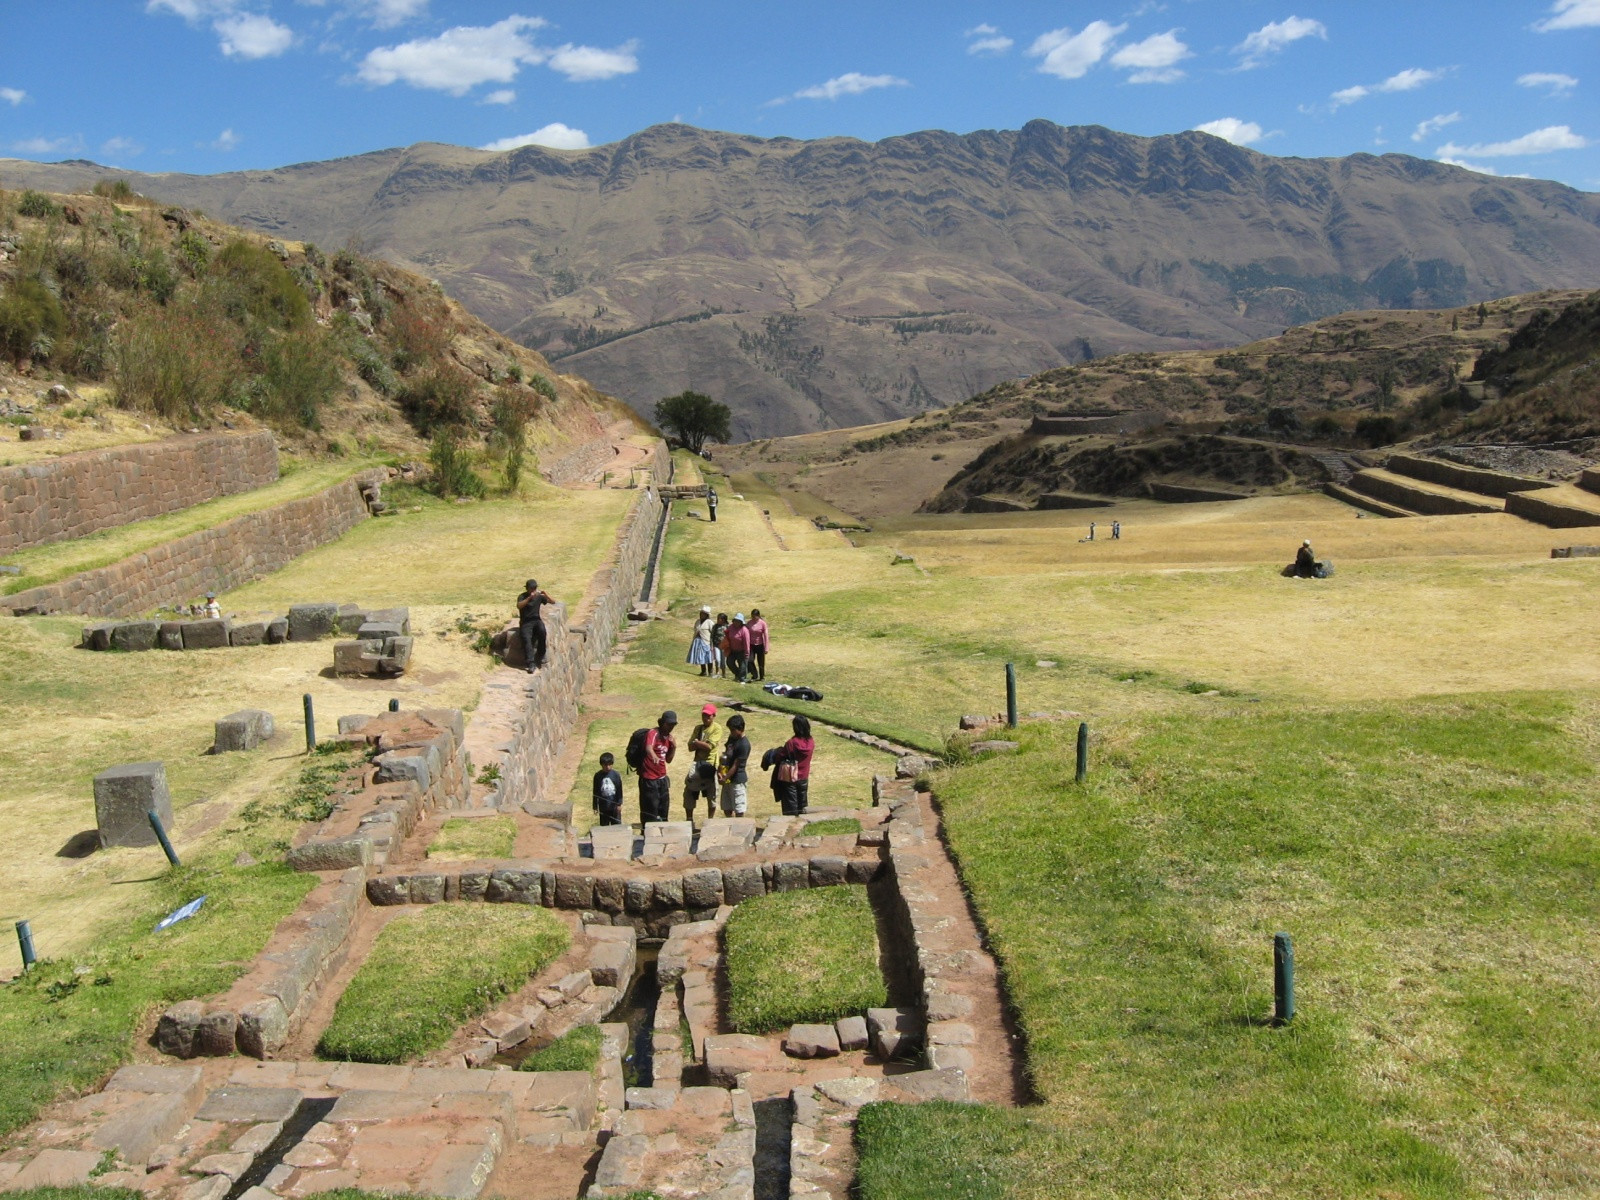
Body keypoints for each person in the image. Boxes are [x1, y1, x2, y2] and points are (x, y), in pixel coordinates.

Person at [683, 703, 725, 822]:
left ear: (714, 716)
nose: (705, 718)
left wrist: (697, 742)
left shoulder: (717, 728)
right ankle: (689, 820)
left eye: (708, 716)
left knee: (712, 795)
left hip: (710, 764)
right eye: (704, 715)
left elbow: (709, 747)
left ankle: (710, 820)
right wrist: (698, 743)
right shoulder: (698, 728)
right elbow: (690, 747)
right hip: (697, 763)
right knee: (689, 791)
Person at [771, 715, 815, 816]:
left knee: (790, 806)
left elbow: (780, 756)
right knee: (803, 805)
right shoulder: (811, 742)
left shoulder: (791, 743)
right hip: (804, 777)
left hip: (790, 777)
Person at [639, 710, 677, 827]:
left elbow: (668, 760)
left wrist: (674, 747)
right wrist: (654, 756)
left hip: (662, 778)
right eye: (668, 724)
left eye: (673, 725)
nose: (671, 727)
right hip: (650, 779)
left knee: (663, 809)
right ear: (663, 723)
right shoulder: (653, 733)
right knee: (651, 811)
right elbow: (648, 747)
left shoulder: (669, 738)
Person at [516, 578, 555, 672]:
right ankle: (530, 663)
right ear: (527, 589)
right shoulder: (522, 596)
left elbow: (553, 602)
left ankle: (541, 654)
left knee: (542, 631)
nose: (533, 590)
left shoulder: (539, 597)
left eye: (535, 588)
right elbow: (519, 606)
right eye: (531, 588)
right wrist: (529, 598)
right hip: (526, 622)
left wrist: (546, 595)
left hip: (536, 620)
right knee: (526, 639)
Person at [719, 714, 751, 816]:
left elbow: (736, 764)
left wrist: (725, 777)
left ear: (740, 729)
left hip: (737, 780)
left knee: (739, 808)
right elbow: (726, 754)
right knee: (726, 807)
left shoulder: (744, 744)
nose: (731, 732)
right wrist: (720, 770)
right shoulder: (732, 738)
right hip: (727, 778)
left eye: (733, 730)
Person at [592, 752, 623, 827]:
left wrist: (619, 803)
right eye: (605, 765)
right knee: (604, 826)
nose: (608, 767)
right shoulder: (598, 776)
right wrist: (595, 806)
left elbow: (619, 790)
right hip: (603, 807)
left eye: (610, 764)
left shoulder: (616, 775)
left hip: (614, 806)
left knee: (616, 826)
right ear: (601, 765)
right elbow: (595, 791)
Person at [687, 605, 715, 676]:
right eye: (701, 613)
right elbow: (695, 630)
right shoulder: (698, 622)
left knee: (708, 657)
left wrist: (712, 643)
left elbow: (713, 632)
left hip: (707, 642)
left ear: (706, 615)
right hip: (698, 641)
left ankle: (710, 672)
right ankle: (703, 671)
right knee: (700, 657)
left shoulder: (709, 622)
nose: (701, 615)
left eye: (703, 614)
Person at [724, 613, 752, 683]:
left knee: (742, 666)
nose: (736, 622)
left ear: (741, 622)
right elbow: (727, 635)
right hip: (732, 650)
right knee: (729, 662)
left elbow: (747, 643)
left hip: (742, 651)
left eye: (738, 621)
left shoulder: (744, 630)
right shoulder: (731, 627)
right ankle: (738, 675)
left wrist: (747, 653)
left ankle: (742, 679)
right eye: (735, 620)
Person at [746, 609, 770, 681]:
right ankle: (754, 674)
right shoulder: (749, 623)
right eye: (752, 616)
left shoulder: (762, 623)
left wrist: (766, 647)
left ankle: (762, 676)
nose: (753, 618)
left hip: (760, 644)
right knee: (750, 660)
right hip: (751, 645)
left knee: (761, 662)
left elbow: (766, 636)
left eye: (755, 616)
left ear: (758, 616)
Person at [711, 612, 730, 679]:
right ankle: (717, 673)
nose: (718, 620)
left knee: (723, 661)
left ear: (723, 619)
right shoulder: (715, 626)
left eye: (720, 619)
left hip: (724, 647)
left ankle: (724, 674)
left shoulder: (727, 627)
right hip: (716, 645)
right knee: (717, 659)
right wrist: (711, 645)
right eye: (718, 619)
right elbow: (712, 636)